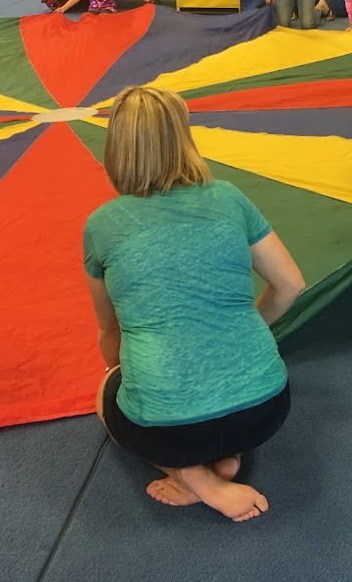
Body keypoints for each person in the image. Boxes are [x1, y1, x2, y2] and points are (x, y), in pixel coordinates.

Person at [85, 86, 305, 522]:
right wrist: (246, 325)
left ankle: (200, 481)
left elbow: (110, 331)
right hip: (267, 411)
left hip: (171, 431)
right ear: (185, 138)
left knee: (104, 396)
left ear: (116, 150)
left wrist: (119, 374)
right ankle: (226, 461)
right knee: (215, 422)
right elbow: (291, 284)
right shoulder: (227, 196)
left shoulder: (103, 224)